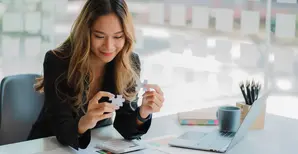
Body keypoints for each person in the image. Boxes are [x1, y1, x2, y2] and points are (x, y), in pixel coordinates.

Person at [27, 0, 164, 150]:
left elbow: (126, 127)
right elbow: (61, 128)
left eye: (118, 37)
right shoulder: (58, 61)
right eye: (99, 36)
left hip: (95, 144)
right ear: (85, 33)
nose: (109, 46)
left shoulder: (129, 62)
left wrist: (143, 113)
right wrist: (85, 122)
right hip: (48, 144)